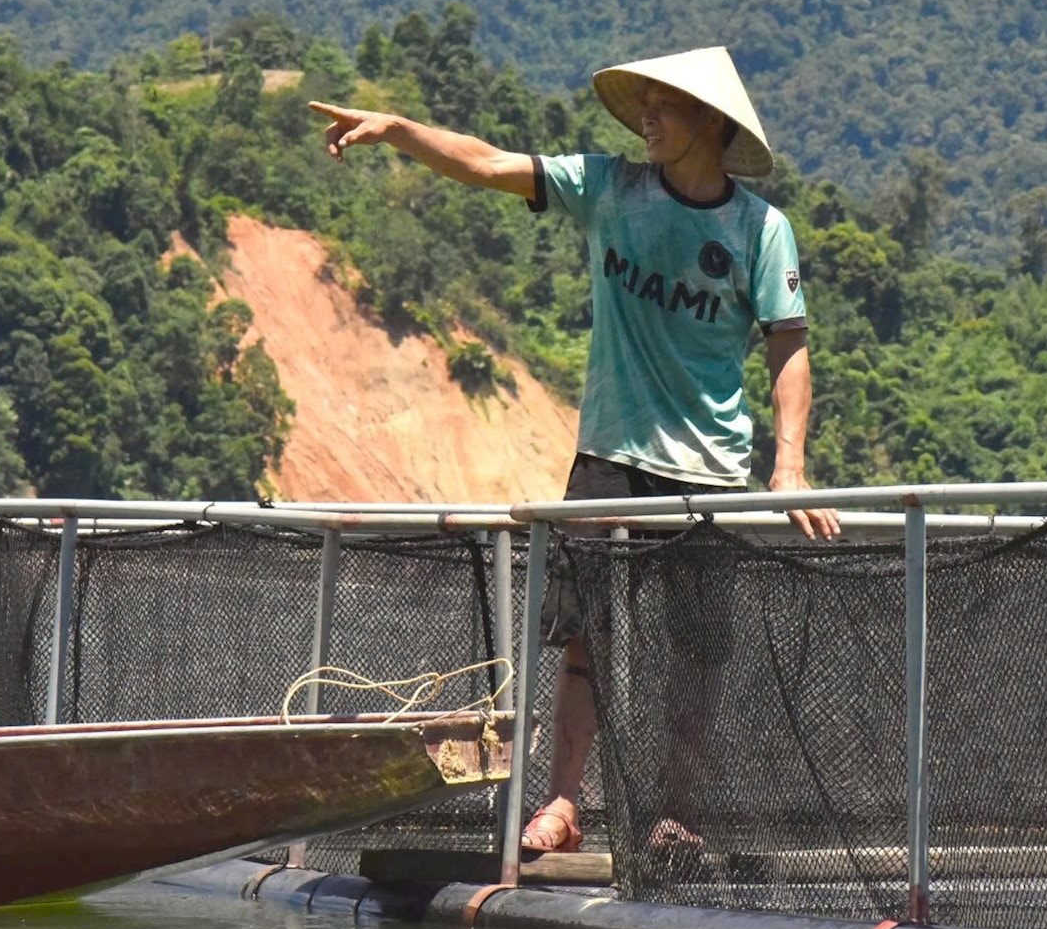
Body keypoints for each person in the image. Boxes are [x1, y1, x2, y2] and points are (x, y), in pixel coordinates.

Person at [310, 44, 838, 858]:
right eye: (646, 106)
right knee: (585, 634)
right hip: (610, 452)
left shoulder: (760, 230)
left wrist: (790, 466)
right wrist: (397, 129)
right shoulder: (609, 188)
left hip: (710, 471)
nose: (649, 118)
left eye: (666, 105)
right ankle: (561, 804)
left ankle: (676, 813)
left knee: (694, 653)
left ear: (710, 122)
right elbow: (488, 164)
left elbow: (790, 348)